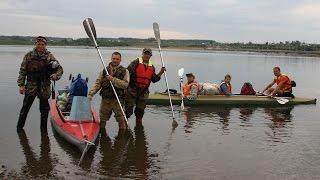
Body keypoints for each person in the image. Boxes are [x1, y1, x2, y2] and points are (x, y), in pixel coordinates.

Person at [17, 36, 63, 132]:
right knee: (25, 108)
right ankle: (19, 129)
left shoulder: (50, 56)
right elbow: (22, 71)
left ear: (45, 45)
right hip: (31, 85)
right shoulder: (28, 56)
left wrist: (55, 75)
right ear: (36, 44)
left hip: (44, 86)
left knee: (44, 111)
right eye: (39, 44)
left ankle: (43, 130)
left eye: (43, 44)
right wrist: (21, 85)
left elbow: (60, 69)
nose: (41, 46)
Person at [88, 52, 129, 130]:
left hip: (118, 100)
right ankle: (102, 137)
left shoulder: (125, 71)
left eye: (117, 59)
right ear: (111, 59)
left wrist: (113, 79)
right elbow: (98, 83)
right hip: (106, 100)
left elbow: (125, 85)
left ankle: (122, 138)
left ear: (120, 60)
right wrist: (90, 94)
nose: (115, 60)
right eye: (114, 58)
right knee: (102, 120)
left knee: (121, 121)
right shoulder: (105, 70)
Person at [125, 48, 165, 126]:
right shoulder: (135, 62)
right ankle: (124, 127)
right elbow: (126, 74)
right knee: (128, 111)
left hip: (144, 92)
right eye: (145, 53)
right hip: (132, 90)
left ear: (150, 55)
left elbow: (154, 79)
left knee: (140, 112)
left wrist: (161, 72)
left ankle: (138, 125)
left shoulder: (152, 67)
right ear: (142, 54)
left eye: (148, 54)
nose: (147, 55)